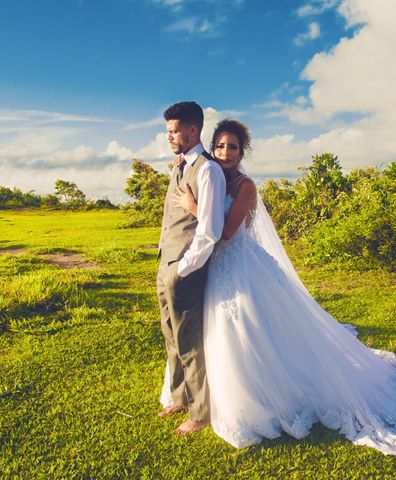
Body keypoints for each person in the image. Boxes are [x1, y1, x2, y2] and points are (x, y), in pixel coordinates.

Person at [163, 118, 396, 457]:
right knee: (217, 333)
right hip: (217, 269)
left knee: (250, 331)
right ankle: (206, 395)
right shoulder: (210, 176)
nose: (226, 152)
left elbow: (225, 233)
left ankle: (263, 397)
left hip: (240, 265)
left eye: (233, 147)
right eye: (221, 146)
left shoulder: (245, 187)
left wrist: (194, 208)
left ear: (243, 152)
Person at [156, 102, 226, 435]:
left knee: (189, 340)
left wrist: (183, 269)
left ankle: (200, 412)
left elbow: (210, 230)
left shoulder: (208, 170)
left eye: (174, 130)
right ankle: (181, 397)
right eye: (168, 130)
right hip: (166, 262)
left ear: (193, 130)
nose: (169, 136)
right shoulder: (180, 164)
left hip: (184, 268)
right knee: (171, 335)